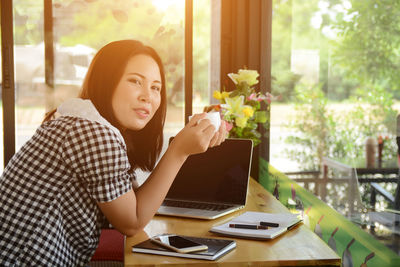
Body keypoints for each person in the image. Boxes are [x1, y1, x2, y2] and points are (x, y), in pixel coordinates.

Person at [0, 40, 226, 266]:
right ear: (107, 81)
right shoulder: (92, 132)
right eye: (135, 81)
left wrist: (186, 144)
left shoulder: (84, 120)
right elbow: (131, 222)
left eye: (156, 87)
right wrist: (178, 151)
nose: (147, 96)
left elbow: (133, 201)